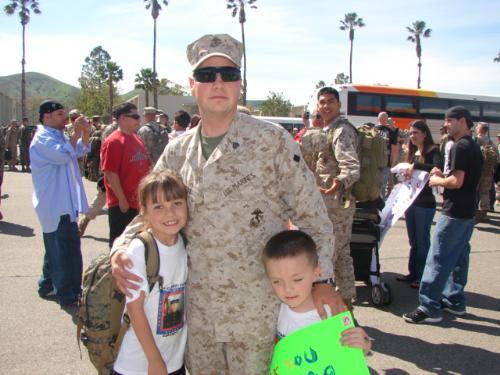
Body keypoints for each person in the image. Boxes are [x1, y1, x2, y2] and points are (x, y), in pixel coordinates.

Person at [110, 33, 344, 374]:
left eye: (228, 74)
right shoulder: (178, 151)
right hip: (198, 318)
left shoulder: (272, 141)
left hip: (257, 318)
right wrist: (121, 248)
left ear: (240, 84)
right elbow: (148, 212)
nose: (218, 82)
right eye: (207, 75)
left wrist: (322, 282)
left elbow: (314, 217)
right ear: (193, 85)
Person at [403, 106, 483, 324]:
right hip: (467, 212)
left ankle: (429, 307)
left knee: (437, 259)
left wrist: (437, 181)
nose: (445, 125)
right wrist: (442, 174)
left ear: (463, 121)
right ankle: (455, 301)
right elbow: (461, 177)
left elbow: (457, 182)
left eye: (449, 121)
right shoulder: (473, 146)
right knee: (458, 257)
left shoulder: (460, 146)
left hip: (454, 212)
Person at [113, 170, 188, 375]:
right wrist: (154, 360)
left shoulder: (184, 243)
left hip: (172, 361)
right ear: (144, 211)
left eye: (177, 203)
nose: (170, 213)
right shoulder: (141, 249)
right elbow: (135, 310)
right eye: (158, 207)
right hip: (138, 365)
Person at [263, 230, 371, 355]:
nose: (287, 289)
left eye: (297, 279)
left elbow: (352, 355)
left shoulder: (330, 313)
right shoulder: (278, 308)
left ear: (316, 273)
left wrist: (364, 344)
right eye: (277, 281)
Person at [300, 87, 360, 310]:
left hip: (336, 205)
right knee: (341, 254)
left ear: (339, 105)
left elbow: (352, 167)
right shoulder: (326, 129)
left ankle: (334, 307)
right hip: (327, 203)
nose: (326, 106)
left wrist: (340, 181)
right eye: (322, 102)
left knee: (328, 256)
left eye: (331, 102)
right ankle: (345, 306)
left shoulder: (341, 131)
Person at [30, 100, 91, 306]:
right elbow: (64, 155)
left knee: (56, 246)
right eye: (59, 114)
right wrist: (74, 134)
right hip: (55, 203)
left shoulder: (57, 135)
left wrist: (85, 133)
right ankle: (68, 293)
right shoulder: (42, 139)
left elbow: (80, 150)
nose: (64, 118)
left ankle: (46, 284)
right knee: (66, 250)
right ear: (46, 117)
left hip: (65, 202)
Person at [397, 120, 442, 289]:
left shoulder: (433, 150)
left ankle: (422, 275)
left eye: (415, 132)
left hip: (425, 204)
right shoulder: (413, 151)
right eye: (410, 133)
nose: (412, 136)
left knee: (422, 241)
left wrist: (415, 165)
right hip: (411, 201)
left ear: (424, 133)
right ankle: (413, 273)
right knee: (414, 241)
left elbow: (436, 167)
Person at [101, 102, 151, 247]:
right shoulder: (114, 141)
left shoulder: (137, 139)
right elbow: (110, 173)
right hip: (122, 205)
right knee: (121, 244)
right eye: (135, 116)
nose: (139, 120)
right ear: (122, 118)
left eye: (139, 116)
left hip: (139, 202)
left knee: (137, 245)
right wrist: (122, 199)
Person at [474, 122, 496, 223]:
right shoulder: (491, 142)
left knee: (474, 190)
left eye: (477, 127)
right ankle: (483, 213)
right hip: (489, 171)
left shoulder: (476, 140)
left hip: (478, 170)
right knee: (485, 192)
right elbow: (498, 158)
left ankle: (474, 212)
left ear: (479, 129)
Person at [377, 112, 399, 197]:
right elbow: (394, 148)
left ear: (378, 119)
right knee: (383, 183)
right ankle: (380, 202)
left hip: (373, 162)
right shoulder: (391, 131)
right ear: (386, 120)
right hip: (386, 161)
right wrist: (393, 161)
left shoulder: (372, 130)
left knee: (374, 182)